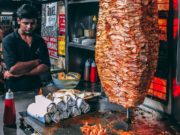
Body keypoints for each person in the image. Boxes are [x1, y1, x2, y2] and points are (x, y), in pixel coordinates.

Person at [2, 4, 51, 91]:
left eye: (33, 23)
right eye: (26, 23)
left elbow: (46, 66)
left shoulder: (39, 40)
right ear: (18, 21)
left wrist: (23, 73)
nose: (29, 27)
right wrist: (37, 61)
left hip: (36, 88)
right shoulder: (9, 40)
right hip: (15, 89)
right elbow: (13, 69)